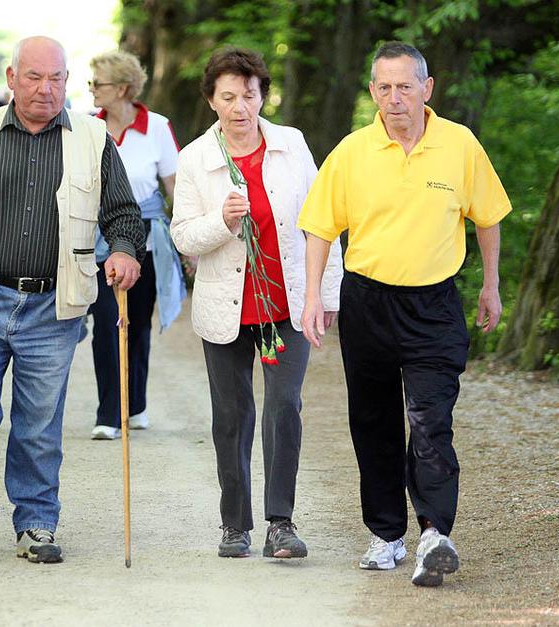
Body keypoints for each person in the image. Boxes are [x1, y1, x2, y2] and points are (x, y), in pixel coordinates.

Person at [298, 41, 511, 587]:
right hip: (367, 302)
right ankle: (387, 535)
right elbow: (320, 227)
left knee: (431, 420)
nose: (395, 98)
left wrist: (490, 285)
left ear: (427, 88)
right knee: (373, 422)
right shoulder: (352, 151)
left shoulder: (459, 144)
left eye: (405, 86)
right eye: (385, 87)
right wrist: (313, 295)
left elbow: (488, 217)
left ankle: (435, 533)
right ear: (373, 91)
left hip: (434, 305)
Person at [0, 35, 145, 564]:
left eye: (56, 78)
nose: (45, 89)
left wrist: (123, 251)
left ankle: (36, 524)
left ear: (67, 81)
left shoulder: (93, 138)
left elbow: (122, 213)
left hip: (54, 302)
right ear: (11, 78)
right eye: (34, 77)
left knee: (39, 423)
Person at [170, 48, 343, 560]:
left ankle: (281, 523)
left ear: (263, 95)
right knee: (231, 415)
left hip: (287, 305)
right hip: (226, 308)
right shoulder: (195, 158)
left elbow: (323, 223)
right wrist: (221, 221)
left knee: (284, 406)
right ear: (211, 101)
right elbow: (183, 236)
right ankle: (235, 525)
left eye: (249, 95)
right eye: (228, 97)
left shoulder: (291, 144)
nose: (240, 106)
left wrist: (326, 294)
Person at [87, 50, 185, 440]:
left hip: (147, 233)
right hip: (102, 234)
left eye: (99, 83)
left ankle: (136, 404)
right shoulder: (88, 127)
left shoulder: (157, 127)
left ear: (123, 89)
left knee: (138, 323)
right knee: (107, 322)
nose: (92, 89)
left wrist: (187, 240)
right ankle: (109, 413)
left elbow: (175, 186)